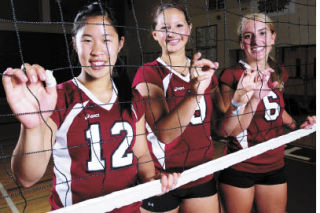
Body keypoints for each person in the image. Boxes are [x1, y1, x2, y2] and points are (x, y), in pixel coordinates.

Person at [2, 2, 179, 212]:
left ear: (120, 43)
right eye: (87, 40)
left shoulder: (132, 98)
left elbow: (141, 154)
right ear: (74, 44)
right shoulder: (58, 98)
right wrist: (31, 125)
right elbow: (26, 178)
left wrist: (152, 177)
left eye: (106, 40)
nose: (97, 51)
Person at [217, 13, 316, 213]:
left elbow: (278, 109)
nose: (256, 41)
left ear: (273, 37)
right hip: (241, 164)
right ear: (241, 42)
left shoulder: (279, 71)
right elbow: (227, 128)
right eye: (248, 36)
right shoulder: (231, 75)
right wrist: (249, 96)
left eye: (262, 33)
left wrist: (297, 127)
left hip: (274, 163)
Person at [132, 3, 221, 213]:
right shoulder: (148, 73)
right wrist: (195, 92)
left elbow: (220, 125)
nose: (171, 32)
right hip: (162, 178)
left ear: (189, 28)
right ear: (155, 34)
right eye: (164, 28)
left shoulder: (204, 70)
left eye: (179, 25)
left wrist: (246, 94)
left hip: (201, 173)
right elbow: (164, 134)